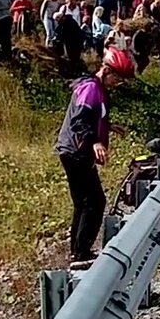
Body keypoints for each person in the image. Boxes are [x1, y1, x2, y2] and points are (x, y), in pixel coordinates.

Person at [54, 47, 134, 268]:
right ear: (106, 70)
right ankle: (80, 254)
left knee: (83, 202)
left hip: (73, 151)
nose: (117, 83)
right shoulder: (91, 88)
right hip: (76, 151)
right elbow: (80, 121)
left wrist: (107, 127)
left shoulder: (96, 88)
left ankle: (78, 252)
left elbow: (92, 117)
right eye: (116, 77)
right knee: (94, 202)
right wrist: (95, 141)